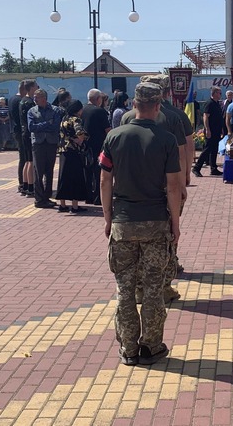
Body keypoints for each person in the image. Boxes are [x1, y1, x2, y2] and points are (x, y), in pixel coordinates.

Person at [99, 82, 182, 366]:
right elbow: (173, 187)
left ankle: (129, 348)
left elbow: (105, 180)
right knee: (153, 288)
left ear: (134, 104)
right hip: (156, 223)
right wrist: (175, 223)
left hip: (123, 222)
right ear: (158, 106)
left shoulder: (114, 137)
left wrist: (108, 218)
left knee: (125, 290)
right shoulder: (166, 140)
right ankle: (151, 346)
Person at [27, 89, 63, 208]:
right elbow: (31, 127)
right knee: (38, 171)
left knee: (49, 171)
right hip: (38, 144)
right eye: (34, 97)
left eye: (37, 97)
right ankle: (39, 199)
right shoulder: (31, 111)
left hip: (51, 143)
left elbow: (55, 127)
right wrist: (47, 123)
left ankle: (47, 197)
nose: (34, 99)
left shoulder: (55, 110)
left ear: (44, 98)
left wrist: (42, 126)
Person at [56, 100, 89, 213]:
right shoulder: (76, 119)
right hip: (73, 151)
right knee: (76, 177)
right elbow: (79, 132)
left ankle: (62, 205)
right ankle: (75, 206)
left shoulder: (64, 118)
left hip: (63, 150)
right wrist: (81, 139)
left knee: (63, 177)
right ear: (77, 109)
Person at [83, 89, 112, 205]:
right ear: (98, 99)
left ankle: (88, 196)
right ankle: (98, 197)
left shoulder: (83, 109)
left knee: (87, 171)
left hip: (85, 145)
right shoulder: (100, 111)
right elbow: (107, 129)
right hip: (98, 145)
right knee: (98, 172)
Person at [192, 86, 224, 177]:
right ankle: (196, 168)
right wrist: (207, 129)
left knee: (214, 150)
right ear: (214, 93)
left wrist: (221, 129)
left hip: (217, 130)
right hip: (211, 130)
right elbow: (205, 117)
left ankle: (213, 168)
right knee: (207, 149)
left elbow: (219, 117)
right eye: (219, 93)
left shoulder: (217, 103)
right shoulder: (209, 103)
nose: (220, 95)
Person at [19, 80, 39, 197]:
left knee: (27, 160)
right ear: (31, 88)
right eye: (36, 86)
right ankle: (31, 187)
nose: (37, 88)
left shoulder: (22, 100)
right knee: (31, 161)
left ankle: (25, 185)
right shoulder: (29, 102)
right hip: (29, 133)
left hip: (24, 132)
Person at [9, 80, 26, 194]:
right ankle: (23, 183)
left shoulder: (12, 99)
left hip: (15, 131)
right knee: (25, 158)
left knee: (23, 158)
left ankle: (22, 183)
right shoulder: (20, 100)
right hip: (20, 132)